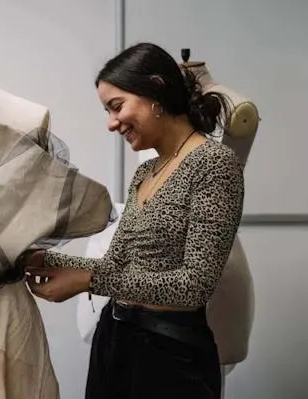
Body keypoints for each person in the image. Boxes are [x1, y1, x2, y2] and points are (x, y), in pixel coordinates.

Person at [23, 42, 245, 399]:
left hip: (170, 357)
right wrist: (48, 260)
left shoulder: (214, 164)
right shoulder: (145, 171)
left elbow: (194, 286)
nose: (112, 124)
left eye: (116, 106)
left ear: (155, 89)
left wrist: (87, 280)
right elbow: (119, 266)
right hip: (116, 341)